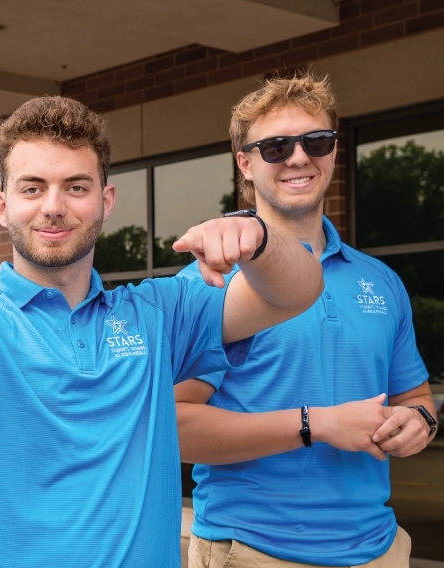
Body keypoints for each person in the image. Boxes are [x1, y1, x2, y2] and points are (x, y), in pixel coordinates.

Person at [0, 95, 324, 566]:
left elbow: (294, 294)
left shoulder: (159, 313)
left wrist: (261, 238)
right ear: (1, 206)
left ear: (105, 201)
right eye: (32, 188)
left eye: (75, 186)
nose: (53, 206)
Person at [178, 72, 436, 568]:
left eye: (316, 141)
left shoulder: (379, 279)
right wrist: (315, 424)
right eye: (274, 147)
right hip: (253, 551)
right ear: (245, 164)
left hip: (379, 549)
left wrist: (417, 422)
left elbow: (416, 397)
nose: (298, 157)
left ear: (335, 151)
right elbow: (177, 426)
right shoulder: (210, 280)